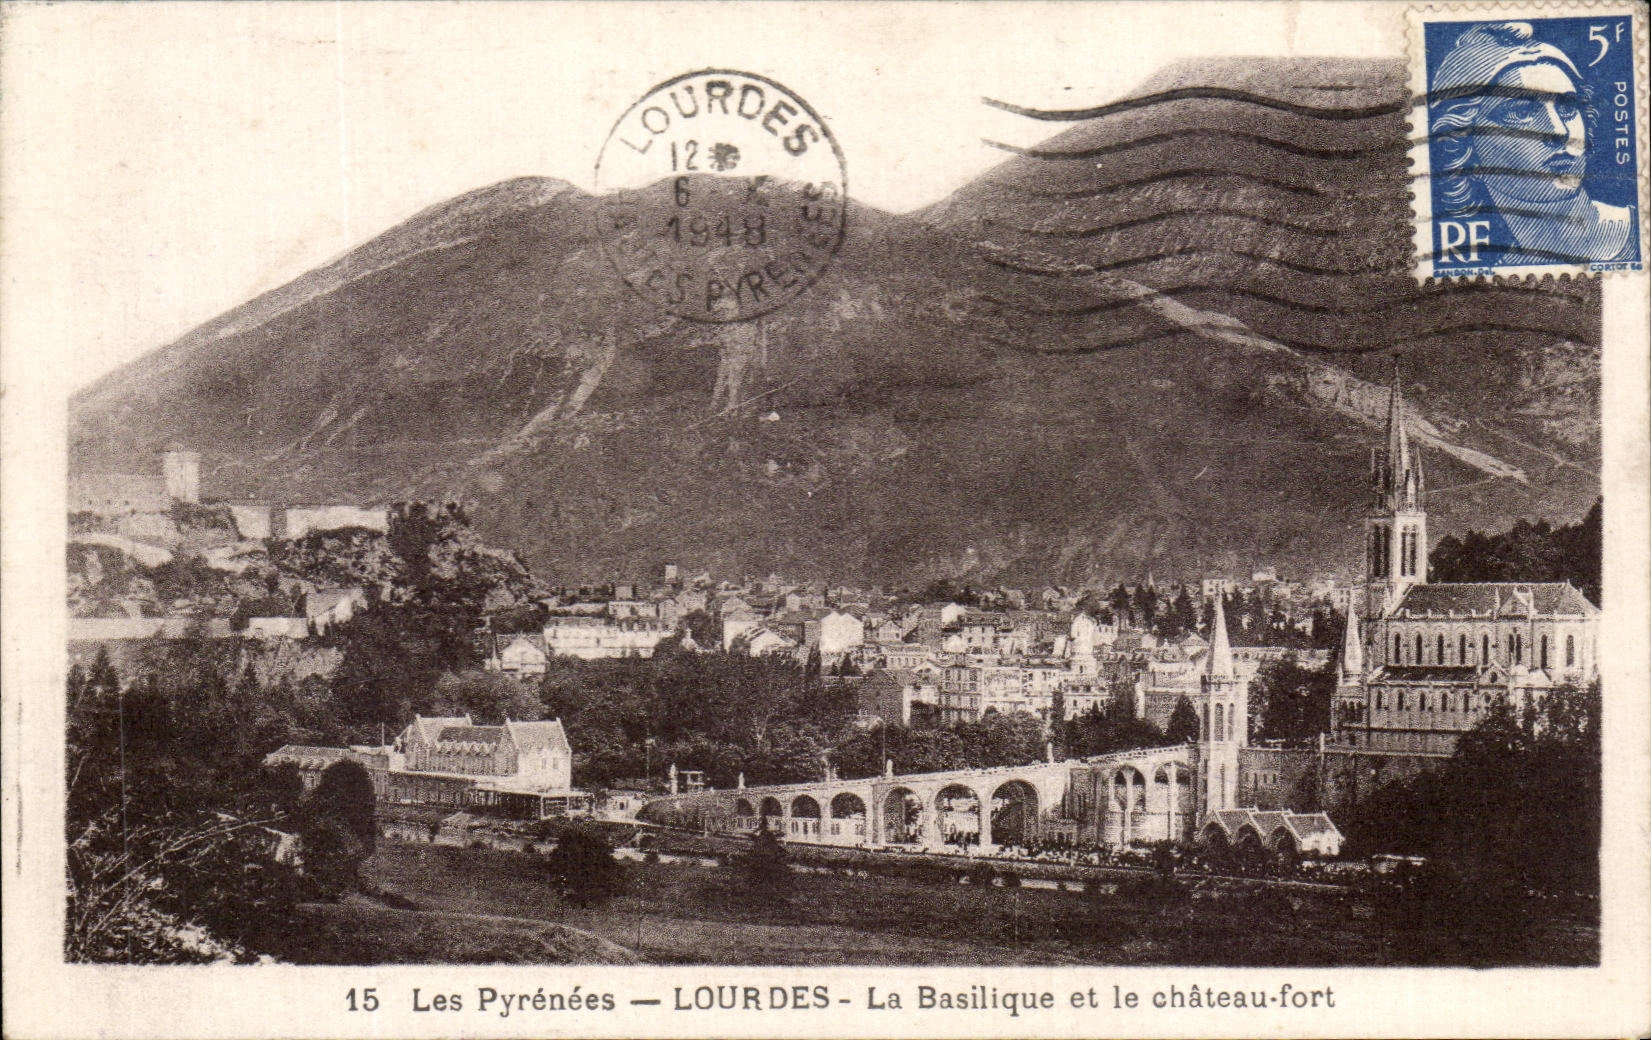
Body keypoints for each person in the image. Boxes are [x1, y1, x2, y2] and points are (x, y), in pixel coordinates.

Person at [1428, 22, 1634, 264]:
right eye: (1520, 112)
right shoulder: (1501, 274)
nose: (1559, 132)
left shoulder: (1641, 231)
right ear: (1464, 148)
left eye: (1567, 107)